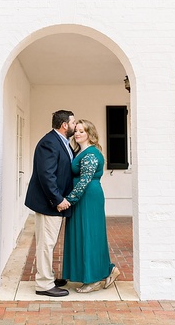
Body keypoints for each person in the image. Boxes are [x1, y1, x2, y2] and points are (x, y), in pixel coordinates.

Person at [61, 119, 120, 293]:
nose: (77, 134)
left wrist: (68, 200)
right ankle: (109, 270)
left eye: (82, 131)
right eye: (76, 131)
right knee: (83, 235)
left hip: (88, 198)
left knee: (90, 236)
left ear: (90, 134)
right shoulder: (81, 151)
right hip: (82, 198)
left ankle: (94, 280)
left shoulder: (91, 154)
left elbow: (84, 181)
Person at [24, 110, 76, 297]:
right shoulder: (49, 143)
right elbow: (47, 175)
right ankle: (44, 284)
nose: (74, 126)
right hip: (49, 204)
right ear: (64, 125)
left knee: (50, 242)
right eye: (73, 122)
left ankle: (49, 277)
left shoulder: (63, 143)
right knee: (46, 244)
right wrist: (58, 200)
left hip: (54, 202)